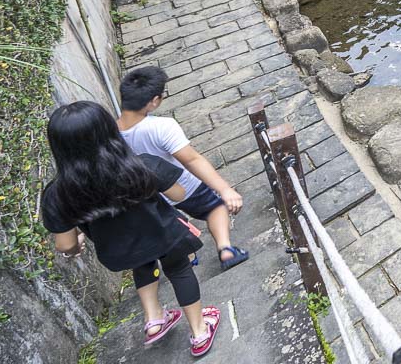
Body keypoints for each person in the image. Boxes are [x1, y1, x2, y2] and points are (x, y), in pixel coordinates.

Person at [41, 101, 220, 355]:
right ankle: (200, 331)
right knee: (179, 269)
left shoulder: (57, 194)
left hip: (120, 250)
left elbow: (65, 244)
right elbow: (179, 194)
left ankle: (154, 319)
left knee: (143, 265)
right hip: (163, 234)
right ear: (108, 133)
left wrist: (76, 243)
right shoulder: (140, 165)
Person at [117, 66, 249, 271]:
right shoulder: (162, 127)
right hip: (183, 186)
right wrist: (224, 189)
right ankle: (226, 250)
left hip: (151, 196)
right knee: (216, 208)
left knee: (174, 221)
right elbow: (191, 159)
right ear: (154, 101)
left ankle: (188, 257)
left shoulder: (110, 133)